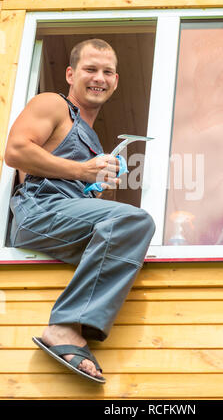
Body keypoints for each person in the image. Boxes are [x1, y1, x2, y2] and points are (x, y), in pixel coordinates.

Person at [4, 38, 156, 383]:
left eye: (107, 72)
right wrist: (81, 171)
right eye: (90, 69)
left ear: (116, 81)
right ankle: (64, 328)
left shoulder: (91, 137)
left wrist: (92, 189)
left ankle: (73, 327)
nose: (98, 77)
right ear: (71, 74)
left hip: (59, 214)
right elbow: (15, 152)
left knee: (128, 231)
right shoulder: (53, 105)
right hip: (38, 210)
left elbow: (73, 183)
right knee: (134, 220)